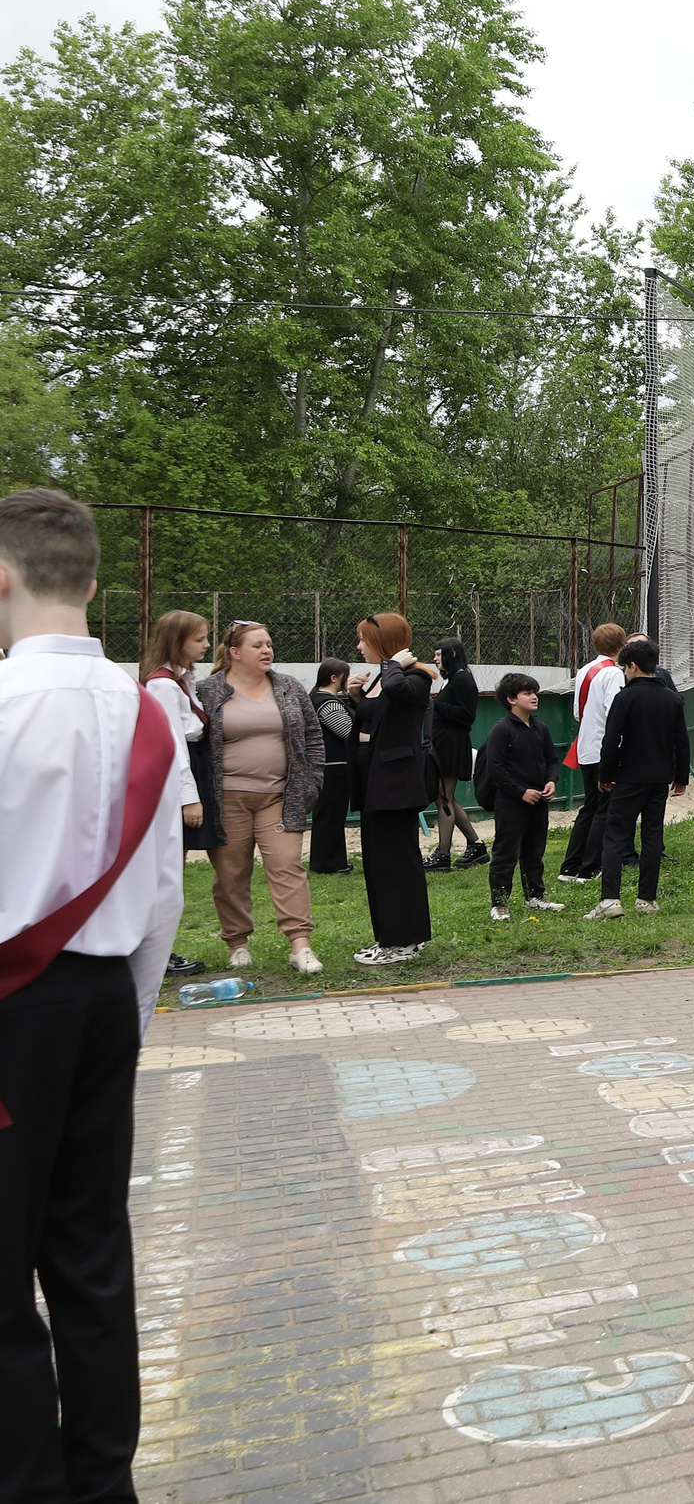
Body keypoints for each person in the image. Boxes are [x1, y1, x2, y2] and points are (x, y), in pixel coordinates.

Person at [0, 487, 188, 1504]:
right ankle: (102, 1479)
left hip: (11, 1004)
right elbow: (165, 887)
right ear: (95, 583)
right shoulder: (147, 711)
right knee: (89, 1249)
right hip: (106, 998)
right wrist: (133, 1013)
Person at [199, 621, 328, 975]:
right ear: (234, 652)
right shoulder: (208, 691)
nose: (267, 650)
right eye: (257, 645)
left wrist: (311, 782)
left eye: (269, 644)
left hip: (280, 797)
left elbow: (314, 736)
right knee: (231, 873)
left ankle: (300, 944)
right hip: (227, 798)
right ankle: (237, 944)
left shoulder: (288, 687)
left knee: (287, 866)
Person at [350, 613, 435, 964]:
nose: (358, 646)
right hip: (373, 781)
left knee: (398, 862)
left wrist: (393, 664)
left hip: (396, 784)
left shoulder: (414, 676)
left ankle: (405, 941)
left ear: (382, 643)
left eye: (363, 639)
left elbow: (400, 693)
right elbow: (374, 720)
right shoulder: (380, 679)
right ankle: (387, 938)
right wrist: (357, 696)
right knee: (377, 862)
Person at [587, 636, 687, 920]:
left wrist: (604, 774)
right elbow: (681, 742)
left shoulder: (625, 696)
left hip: (628, 777)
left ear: (632, 666)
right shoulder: (672, 698)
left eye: (625, 668)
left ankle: (610, 900)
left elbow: (612, 739)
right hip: (659, 778)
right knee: (653, 835)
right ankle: (646, 899)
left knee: (616, 835)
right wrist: (680, 776)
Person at [138, 610, 215, 976]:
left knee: (172, 869)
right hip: (178, 772)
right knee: (167, 869)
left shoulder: (183, 679)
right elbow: (173, 744)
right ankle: (155, 951)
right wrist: (190, 796)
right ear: (178, 641)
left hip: (193, 763)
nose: (207, 645)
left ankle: (159, 949)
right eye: (199, 639)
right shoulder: (164, 685)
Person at [480, 673, 564, 922]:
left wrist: (551, 781)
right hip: (510, 803)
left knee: (534, 851)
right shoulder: (501, 730)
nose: (534, 697)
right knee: (506, 853)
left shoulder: (541, 728)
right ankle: (500, 904)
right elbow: (495, 768)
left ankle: (535, 896)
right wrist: (520, 791)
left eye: (534, 692)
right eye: (527, 693)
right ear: (511, 699)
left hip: (539, 801)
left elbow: (552, 759)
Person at [557, 622, 628, 883]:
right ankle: (590, 868)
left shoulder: (586, 669)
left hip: (585, 746)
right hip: (604, 749)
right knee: (604, 809)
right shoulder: (614, 674)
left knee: (590, 807)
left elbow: (578, 712)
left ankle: (570, 866)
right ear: (621, 646)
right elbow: (615, 713)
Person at [425, 639, 486, 872]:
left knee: (444, 798)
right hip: (443, 743)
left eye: (439, 654)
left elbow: (466, 715)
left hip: (452, 744)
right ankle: (476, 845)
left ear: (452, 654)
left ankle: (443, 853)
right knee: (443, 797)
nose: (435, 659)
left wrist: (434, 705)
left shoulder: (463, 680)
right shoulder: (453, 680)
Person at [308, 658, 355, 877]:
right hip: (334, 766)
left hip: (327, 766)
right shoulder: (328, 703)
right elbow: (348, 732)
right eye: (346, 675)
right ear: (335, 678)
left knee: (327, 816)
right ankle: (330, 863)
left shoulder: (317, 698)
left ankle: (327, 861)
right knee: (332, 816)